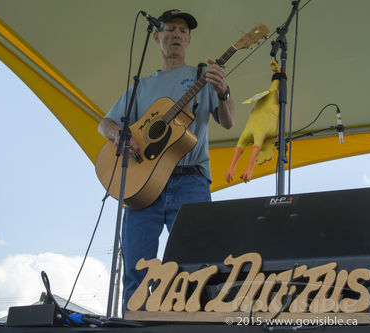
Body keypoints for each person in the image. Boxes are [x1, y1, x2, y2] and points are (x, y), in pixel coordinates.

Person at [98, 9, 235, 313]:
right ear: (157, 37)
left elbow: (228, 122)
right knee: (136, 268)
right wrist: (119, 134)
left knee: (199, 265)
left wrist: (223, 91)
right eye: (170, 29)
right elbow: (104, 123)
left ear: (188, 40)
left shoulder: (204, 76)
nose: (176, 34)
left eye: (183, 31)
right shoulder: (140, 87)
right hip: (142, 183)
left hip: (191, 181)